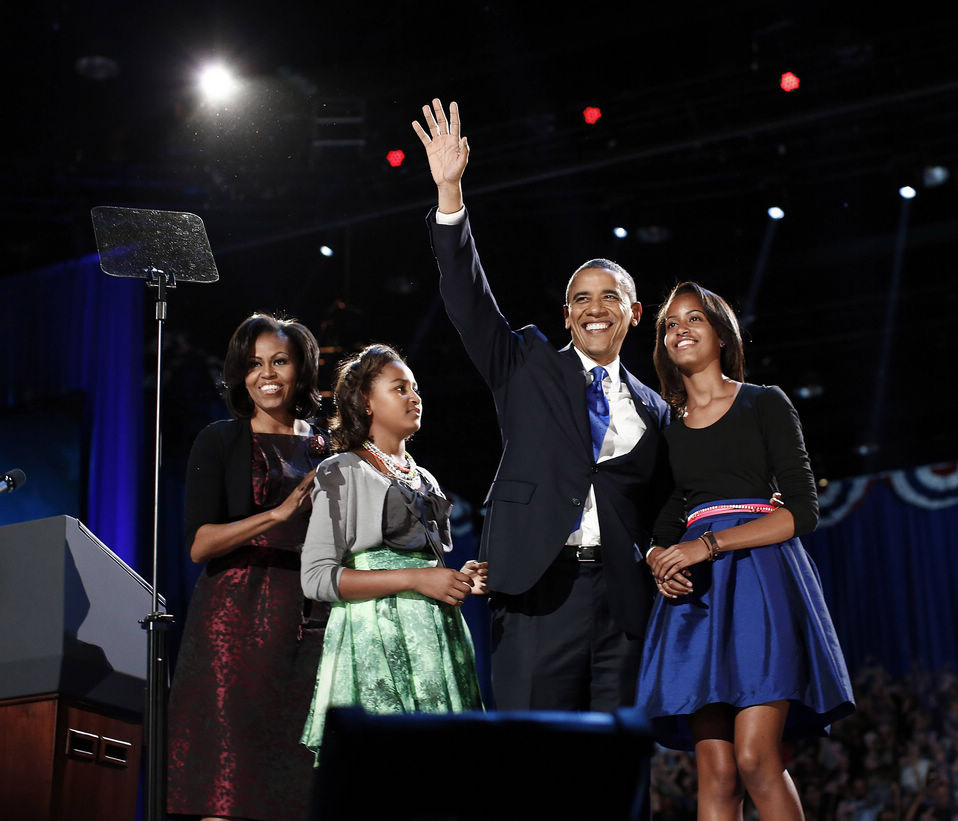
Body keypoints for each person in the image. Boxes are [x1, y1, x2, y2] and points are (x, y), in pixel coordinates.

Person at [412, 98, 672, 711]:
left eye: (611, 297)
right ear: (566, 315)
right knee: (531, 768)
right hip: (535, 587)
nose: (594, 308)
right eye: (581, 298)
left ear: (634, 314)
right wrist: (450, 192)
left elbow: (665, 505)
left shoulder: (656, 410)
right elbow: (469, 301)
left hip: (622, 603)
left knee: (617, 769)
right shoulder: (525, 362)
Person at [635, 282, 855, 820]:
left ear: (720, 333)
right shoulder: (665, 429)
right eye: (669, 325)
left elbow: (802, 511)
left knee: (757, 759)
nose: (679, 330)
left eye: (694, 319)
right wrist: (659, 562)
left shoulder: (764, 401)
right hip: (696, 604)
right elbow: (658, 525)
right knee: (716, 773)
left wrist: (706, 544)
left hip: (760, 583)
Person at [167, 314, 330, 821]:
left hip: (314, 626)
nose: (267, 374)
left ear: (300, 369)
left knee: (301, 787)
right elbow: (199, 545)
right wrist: (277, 515)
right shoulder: (218, 441)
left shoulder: (329, 448)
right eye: (254, 364)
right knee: (228, 783)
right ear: (239, 374)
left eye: (279, 361)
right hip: (233, 625)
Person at [300, 343, 484, 753]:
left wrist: (459, 578)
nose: (415, 397)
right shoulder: (341, 470)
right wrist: (417, 579)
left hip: (435, 636)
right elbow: (316, 579)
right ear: (366, 401)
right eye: (399, 388)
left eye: (415, 388)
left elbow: (429, 567)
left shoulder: (425, 479)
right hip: (375, 635)